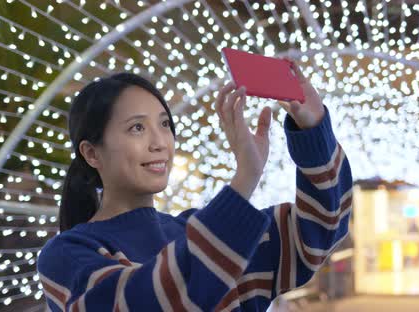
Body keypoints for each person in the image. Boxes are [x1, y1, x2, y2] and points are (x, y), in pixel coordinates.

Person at [36, 59, 353, 311]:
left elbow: (320, 230)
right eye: (136, 128)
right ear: (92, 153)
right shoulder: (68, 254)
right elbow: (158, 300)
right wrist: (244, 179)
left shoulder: (196, 231)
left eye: (164, 124)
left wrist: (313, 129)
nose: (160, 141)